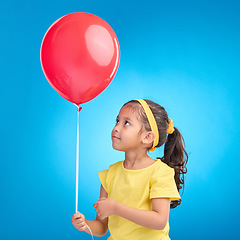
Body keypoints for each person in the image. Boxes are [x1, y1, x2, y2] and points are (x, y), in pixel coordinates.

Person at [71, 99, 188, 240]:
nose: (116, 128)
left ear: (147, 137)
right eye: (117, 121)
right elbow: (102, 228)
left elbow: (159, 221)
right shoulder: (110, 174)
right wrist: (85, 225)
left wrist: (116, 208)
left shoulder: (160, 173)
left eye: (126, 123)